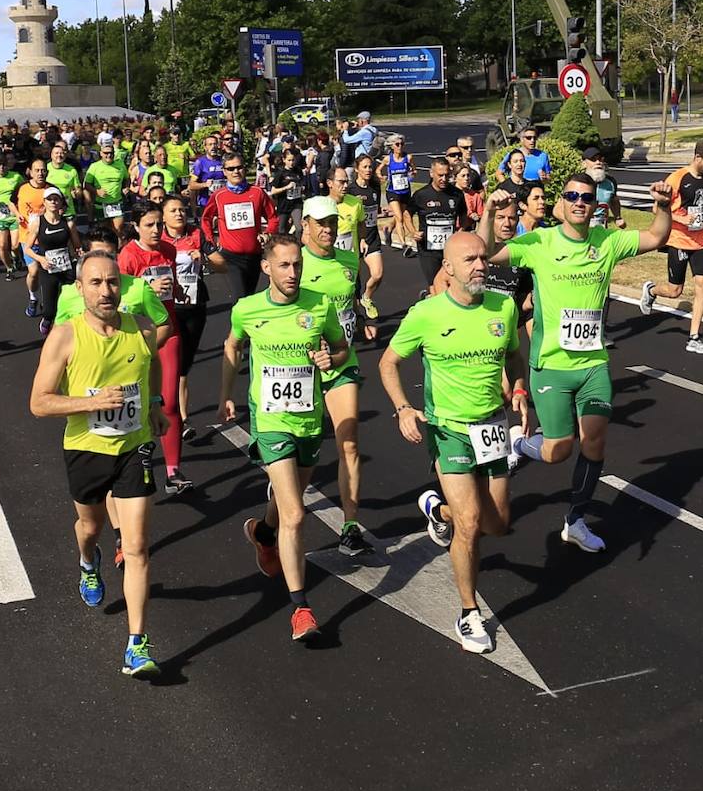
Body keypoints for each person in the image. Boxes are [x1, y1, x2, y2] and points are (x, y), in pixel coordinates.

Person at [482, 174, 675, 551]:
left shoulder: (606, 241)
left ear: (595, 204)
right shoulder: (541, 242)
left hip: (592, 365)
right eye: (571, 195)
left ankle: (576, 520)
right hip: (551, 365)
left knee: (595, 442)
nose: (579, 201)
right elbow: (488, 252)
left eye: (586, 196)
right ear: (562, 203)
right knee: (558, 450)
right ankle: (520, 446)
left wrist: (664, 206)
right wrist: (489, 214)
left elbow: (656, 237)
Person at [379, 231, 529, 653]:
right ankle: (469, 613)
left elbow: (515, 354)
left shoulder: (503, 307)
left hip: (492, 427)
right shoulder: (426, 314)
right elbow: (389, 363)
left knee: (496, 523)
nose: (480, 265)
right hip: (449, 430)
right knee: (469, 525)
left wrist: (519, 389)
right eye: (469, 260)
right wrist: (404, 409)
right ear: (448, 268)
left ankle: (436, 509)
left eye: (483, 258)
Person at [29, 250, 168, 679]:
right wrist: (90, 403)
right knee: (91, 528)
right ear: (80, 288)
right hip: (86, 448)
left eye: (113, 282)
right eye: (96, 283)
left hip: (134, 447)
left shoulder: (141, 328)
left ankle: (137, 644)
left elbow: (152, 366)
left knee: (138, 546)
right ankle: (88, 562)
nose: (106, 291)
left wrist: (157, 404)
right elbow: (38, 403)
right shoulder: (66, 336)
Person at [219, 234, 350, 642]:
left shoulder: (319, 304)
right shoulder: (248, 309)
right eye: (285, 265)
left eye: (297, 265)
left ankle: (262, 532)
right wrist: (225, 395)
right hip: (271, 421)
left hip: (309, 420)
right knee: (295, 513)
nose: (293, 273)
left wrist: (332, 359)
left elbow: (343, 348)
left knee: (285, 503)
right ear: (267, 268)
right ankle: (300, 609)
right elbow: (233, 344)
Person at [299, 196, 377, 556]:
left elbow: (348, 305)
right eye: (320, 223)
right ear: (306, 226)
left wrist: (362, 322)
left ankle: (349, 525)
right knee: (305, 453)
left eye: (332, 222)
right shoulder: (296, 264)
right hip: (303, 369)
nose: (328, 229)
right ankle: (278, 505)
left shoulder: (349, 259)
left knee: (350, 443)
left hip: (343, 363)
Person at [117, 205, 191, 495]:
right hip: (136, 336)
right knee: (135, 401)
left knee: (169, 402)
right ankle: (136, 456)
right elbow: (120, 295)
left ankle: (173, 471)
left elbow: (169, 288)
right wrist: (149, 285)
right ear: (136, 226)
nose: (156, 230)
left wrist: (177, 291)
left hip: (168, 331)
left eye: (159, 224)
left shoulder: (169, 251)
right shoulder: (128, 256)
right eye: (149, 224)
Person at [638, 139, 703, 354]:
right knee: (675, 291)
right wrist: (680, 220)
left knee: (702, 285)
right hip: (679, 240)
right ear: (697, 157)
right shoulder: (676, 179)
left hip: (702, 241)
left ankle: (694, 337)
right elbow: (658, 209)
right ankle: (651, 290)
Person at [161, 194, 217, 445]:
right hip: (164, 309)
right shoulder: (156, 238)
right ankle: (177, 416)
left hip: (194, 304)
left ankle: (179, 416)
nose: (179, 214)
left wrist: (203, 258)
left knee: (183, 366)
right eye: (173, 210)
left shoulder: (196, 234)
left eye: (182, 209)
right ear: (162, 216)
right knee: (169, 364)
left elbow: (221, 264)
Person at [199, 152, 278, 299]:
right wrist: (211, 240)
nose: (235, 171)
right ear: (224, 172)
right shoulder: (218, 195)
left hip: (254, 255)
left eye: (239, 167)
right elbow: (206, 219)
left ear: (245, 169)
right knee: (239, 298)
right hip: (231, 257)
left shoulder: (257, 192)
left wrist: (268, 233)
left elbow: (273, 217)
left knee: (249, 298)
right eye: (231, 169)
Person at [23, 186, 81, 336]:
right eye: (50, 199)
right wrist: (40, 259)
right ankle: (47, 319)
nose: (53, 202)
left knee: (73, 302)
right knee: (49, 311)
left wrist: (81, 255)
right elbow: (27, 249)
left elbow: (77, 246)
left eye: (56, 199)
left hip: (66, 267)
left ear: (61, 202)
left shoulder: (68, 223)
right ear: (44, 202)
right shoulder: (38, 223)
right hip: (48, 268)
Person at [408, 157, 469, 291]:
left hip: (449, 249)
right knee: (436, 285)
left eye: (447, 175)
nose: (444, 179)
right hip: (428, 249)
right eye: (440, 175)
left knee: (452, 285)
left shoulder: (457, 194)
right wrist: (413, 232)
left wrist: (461, 230)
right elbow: (407, 214)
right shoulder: (421, 195)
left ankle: (429, 298)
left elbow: (464, 216)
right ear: (431, 173)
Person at [346, 154, 384, 317]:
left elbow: (376, 212)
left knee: (377, 274)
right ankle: (353, 315)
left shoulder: (375, 188)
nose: (369, 170)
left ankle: (366, 298)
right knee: (353, 282)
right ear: (357, 169)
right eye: (365, 167)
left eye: (370, 167)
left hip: (372, 236)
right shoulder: (350, 190)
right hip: (354, 239)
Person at [15, 158, 51, 318]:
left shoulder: (51, 189)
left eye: (43, 170)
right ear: (30, 171)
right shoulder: (22, 187)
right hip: (27, 237)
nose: (40, 173)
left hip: (47, 237)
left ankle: (48, 301)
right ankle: (33, 297)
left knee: (49, 272)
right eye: (37, 170)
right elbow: (10, 202)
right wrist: (17, 214)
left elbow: (62, 207)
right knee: (34, 271)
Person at [378, 135, 415, 250]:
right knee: (399, 217)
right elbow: (378, 170)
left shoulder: (408, 158)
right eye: (397, 144)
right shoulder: (388, 159)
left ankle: (388, 228)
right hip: (392, 191)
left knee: (401, 215)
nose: (400, 147)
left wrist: (412, 173)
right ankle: (403, 244)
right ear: (392, 146)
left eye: (402, 144)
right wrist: (381, 177)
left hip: (405, 191)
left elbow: (413, 169)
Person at [84, 142, 128, 235]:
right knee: (103, 233)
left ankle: (118, 249)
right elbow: (86, 184)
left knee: (118, 231)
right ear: (101, 153)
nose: (109, 155)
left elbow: (126, 179)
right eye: (106, 153)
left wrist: (126, 187)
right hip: (101, 204)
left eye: (111, 153)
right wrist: (96, 191)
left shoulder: (120, 164)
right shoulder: (95, 166)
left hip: (117, 203)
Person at [268, 146, 305, 234]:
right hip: (284, 205)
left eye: (293, 160)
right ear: (284, 160)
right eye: (289, 160)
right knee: (281, 230)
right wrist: (286, 187)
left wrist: (302, 188)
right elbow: (273, 191)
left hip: (296, 204)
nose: (291, 163)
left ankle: (297, 245)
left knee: (299, 228)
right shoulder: (280, 173)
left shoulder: (298, 171)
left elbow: (303, 185)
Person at [46, 142, 84, 225]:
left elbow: (79, 191)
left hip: (68, 211)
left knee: (71, 236)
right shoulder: (45, 169)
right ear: (51, 155)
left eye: (61, 153)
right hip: (49, 211)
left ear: (65, 155)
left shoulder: (72, 170)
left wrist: (77, 194)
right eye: (56, 153)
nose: (59, 155)